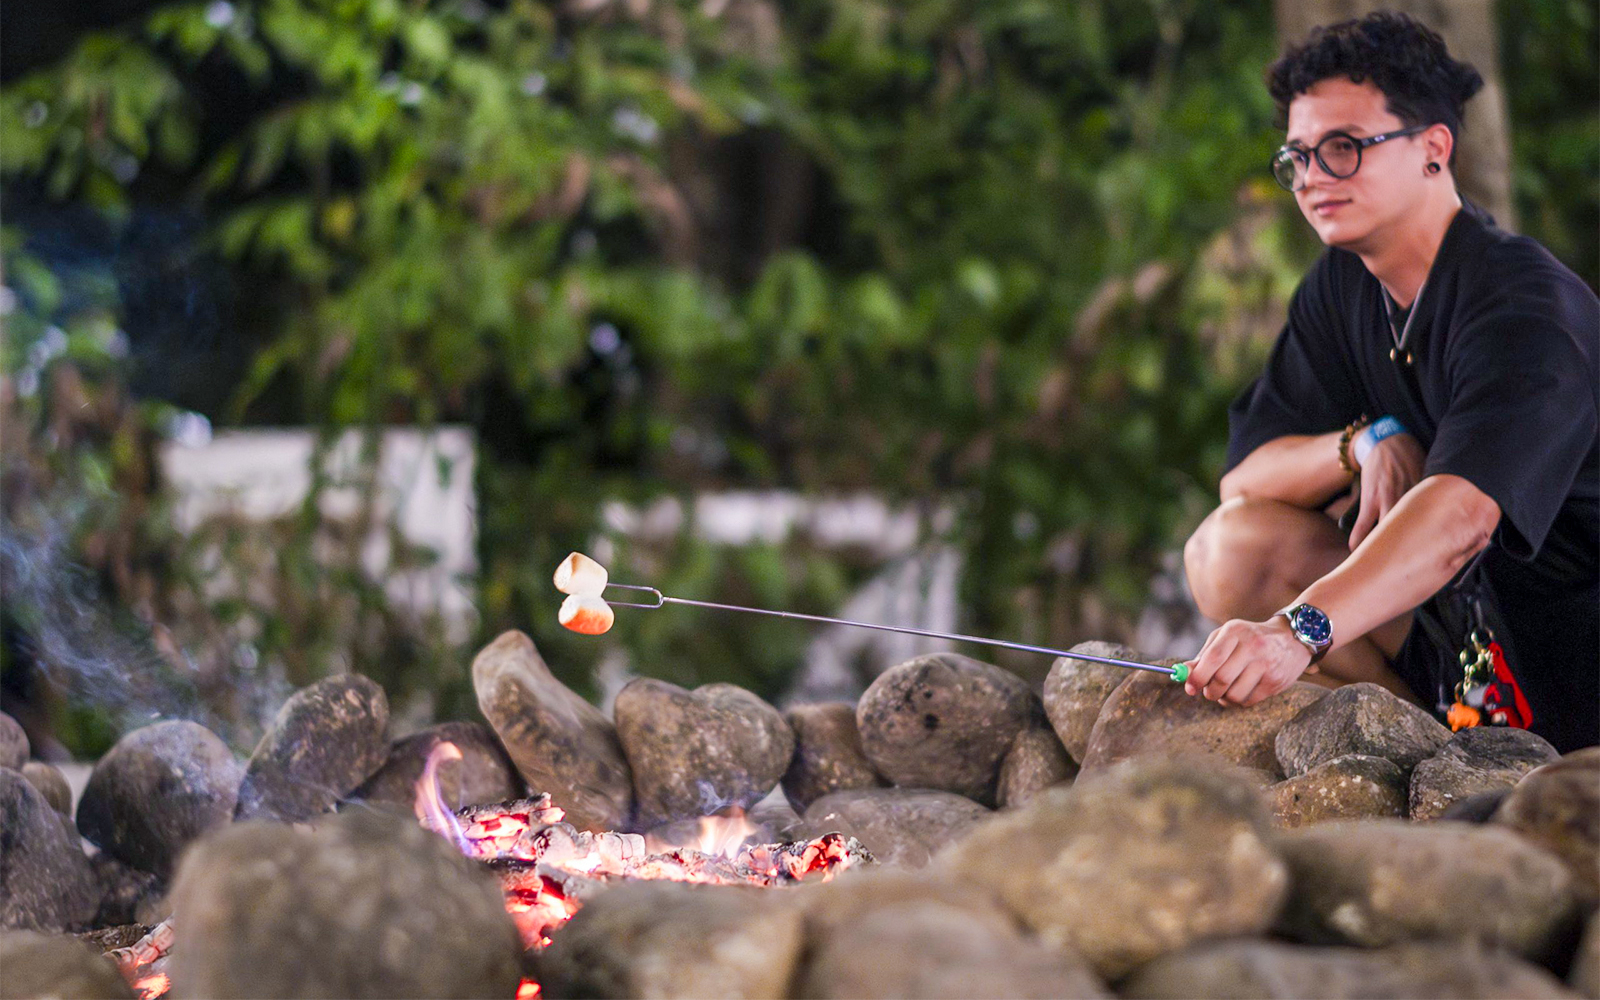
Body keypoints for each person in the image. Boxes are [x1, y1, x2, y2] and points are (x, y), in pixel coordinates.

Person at [1179, 11, 1598, 753]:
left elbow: (1462, 515)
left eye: (1343, 149)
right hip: (1467, 649)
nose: (1313, 179)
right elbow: (1246, 478)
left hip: (1578, 651)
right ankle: (1429, 763)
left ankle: (1506, 775)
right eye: (1298, 157)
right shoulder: (1343, 286)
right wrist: (1364, 443)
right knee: (1230, 549)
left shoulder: (1524, 306)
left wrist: (1296, 632)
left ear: (1435, 148)